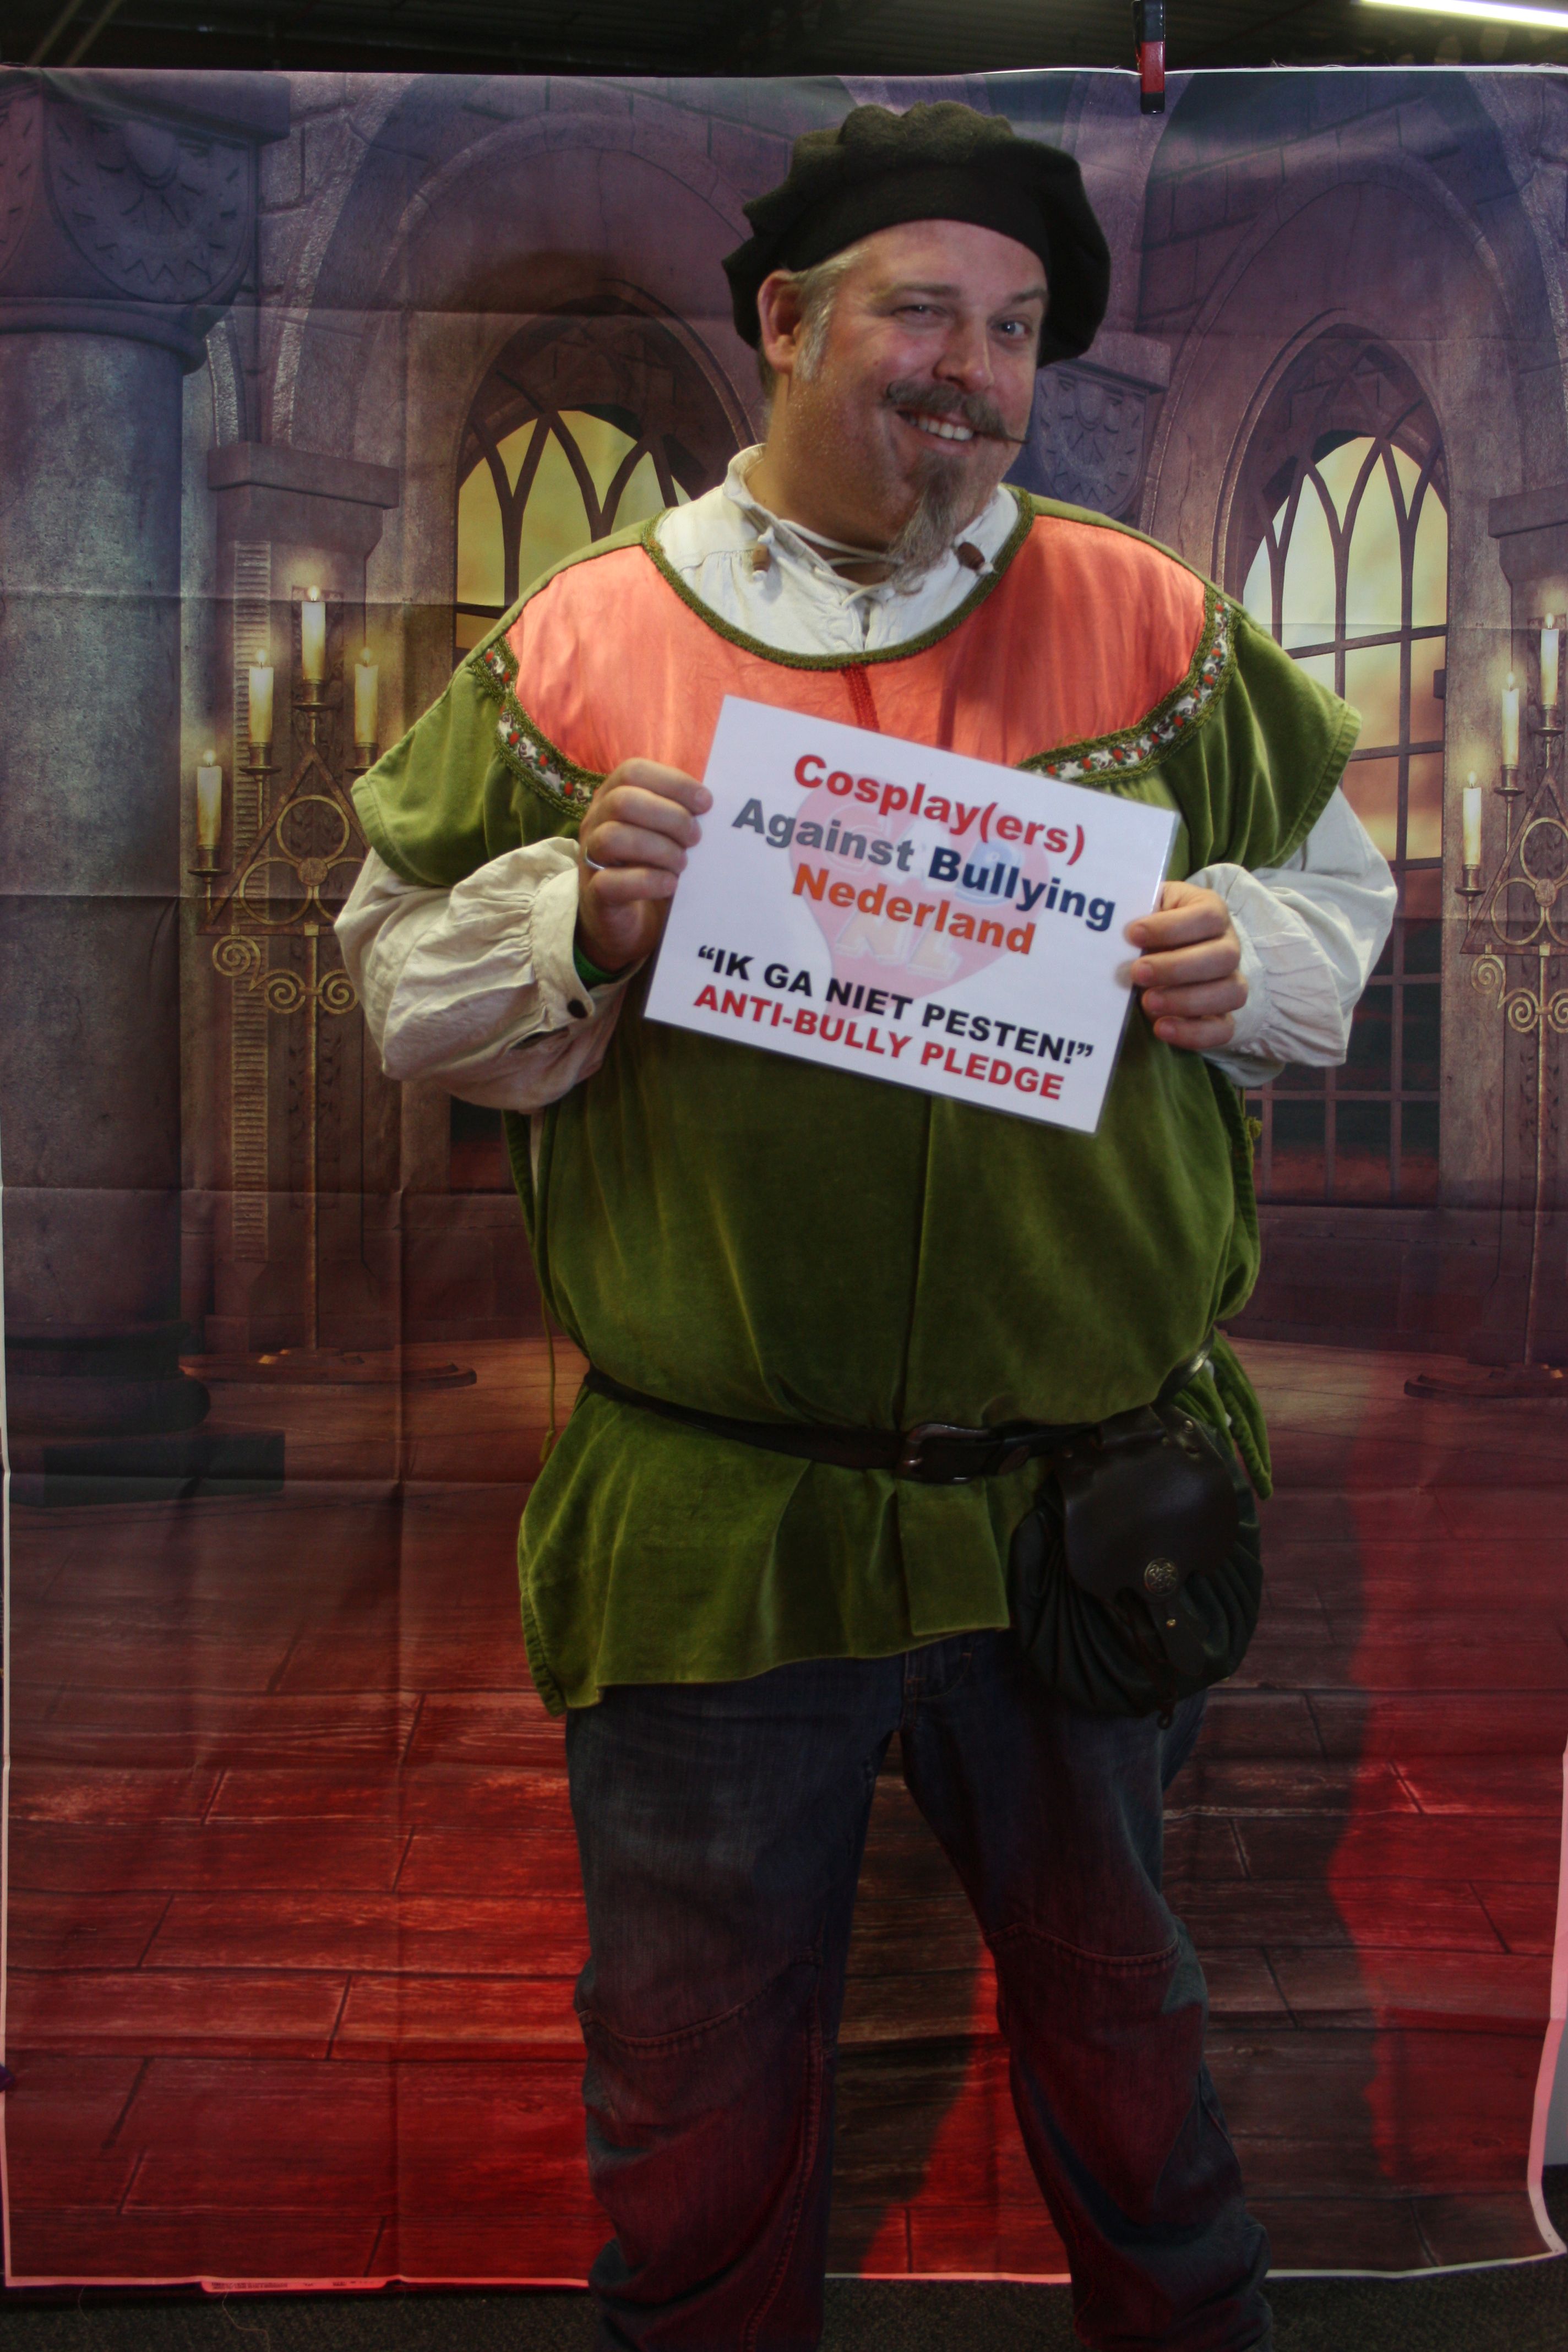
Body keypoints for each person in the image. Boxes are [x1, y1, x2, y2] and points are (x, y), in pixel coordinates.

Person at [339, 102, 1393, 2352]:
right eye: (926, 312)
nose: (973, 370)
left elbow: (1341, 902)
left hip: (1081, 1508)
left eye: (1014, 330)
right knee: (697, 2077)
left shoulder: (1157, 621)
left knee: (1128, 2044)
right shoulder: (584, 639)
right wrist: (578, 916)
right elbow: (399, 981)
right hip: (722, 1519)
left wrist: (1251, 957)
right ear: (788, 321)